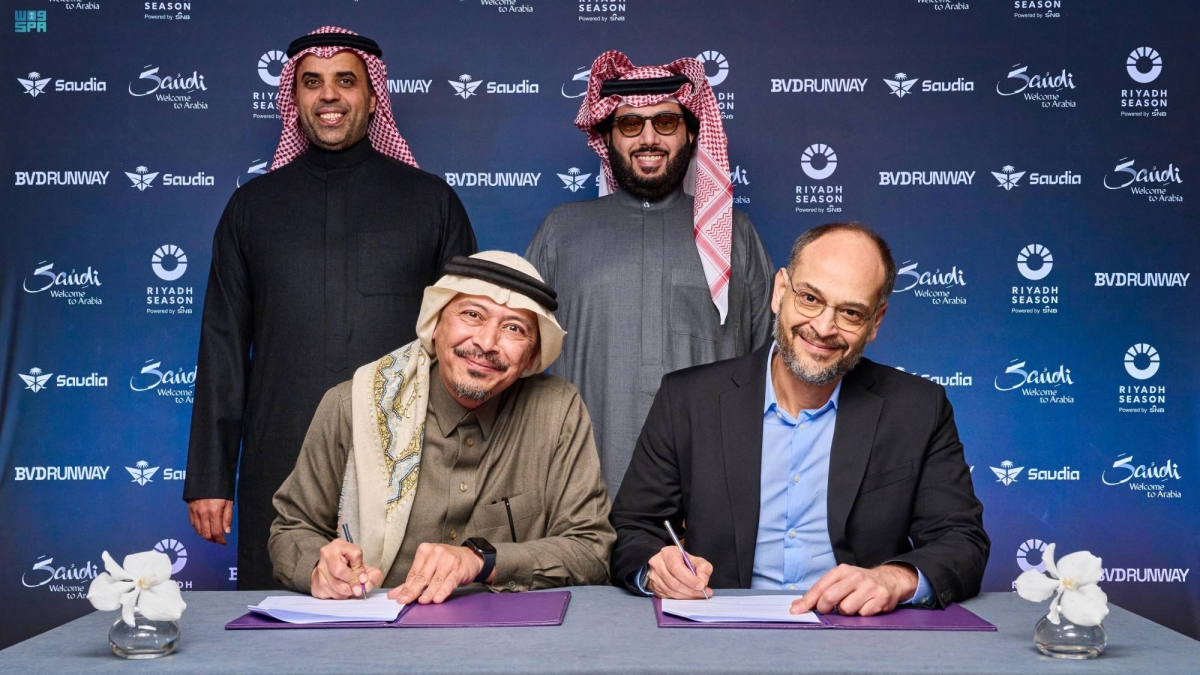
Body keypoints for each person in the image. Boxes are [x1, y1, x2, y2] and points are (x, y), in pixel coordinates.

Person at [184, 26, 477, 589]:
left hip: (406, 453)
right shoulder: (252, 208)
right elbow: (223, 346)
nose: (329, 95)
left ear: (373, 95)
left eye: (346, 80)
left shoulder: (431, 201)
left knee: (409, 615)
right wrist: (210, 476)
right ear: (294, 97)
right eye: (312, 82)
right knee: (280, 617)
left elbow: (465, 342)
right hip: (281, 453)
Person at [610, 223, 989, 616]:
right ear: (780, 291)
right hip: (721, 630)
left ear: (876, 322)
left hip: (858, 634)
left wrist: (893, 579)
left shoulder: (918, 409)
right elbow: (633, 528)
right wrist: (656, 570)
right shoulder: (688, 399)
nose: (823, 328)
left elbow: (962, 541)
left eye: (850, 312)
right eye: (810, 298)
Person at [269, 252, 615, 603]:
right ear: (435, 324)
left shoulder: (557, 411)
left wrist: (481, 560)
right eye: (472, 315)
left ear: (531, 356)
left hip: (508, 631)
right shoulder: (353, 406)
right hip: (375, 623)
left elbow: (591, 550)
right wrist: (320, 568)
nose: (486, 343)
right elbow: (292, 529)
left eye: (514, 328)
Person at [526, 50, 773, 495]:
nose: (648, 138)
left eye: (666, 122)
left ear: (692, 132)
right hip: (578, 491)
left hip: (707, 488)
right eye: (629, 124)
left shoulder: (734, 234)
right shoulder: (561, 230)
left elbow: (771, 361)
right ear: (607, 135)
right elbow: (520, 356)